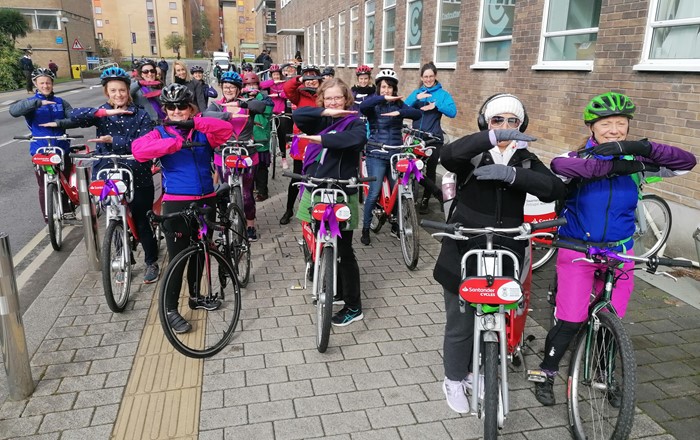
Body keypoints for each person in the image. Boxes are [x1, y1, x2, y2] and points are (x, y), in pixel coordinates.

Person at [532, 92, 697, 407]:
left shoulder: (638, 162)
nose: (614, 129)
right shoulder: (577, 156)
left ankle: (603, 373)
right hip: (577, 249)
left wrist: (641, 149)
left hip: (619, 251)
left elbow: (686, 163)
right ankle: (546, 372)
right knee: (571, 319)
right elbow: (560, 167)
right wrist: (611, 164)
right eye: (606, 123)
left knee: (611, 319)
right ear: (592, 127)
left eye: (621, 124)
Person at [434, 94, 566, 414]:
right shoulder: (474, 154)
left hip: (505, 248)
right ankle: (455, 378)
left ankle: (479, 369)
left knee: (494, 317)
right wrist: (488, 139)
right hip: (464, 244)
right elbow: (448, 157)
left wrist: (513, 176)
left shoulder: (525, 159)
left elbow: (555, 189)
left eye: (512, 122)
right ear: (485, 123)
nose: (506, 128)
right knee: (461, 322)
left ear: (522, 127)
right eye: (497, 121)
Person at [131, 84, 233, 333]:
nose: (177, 111)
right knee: (178, 258)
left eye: (182, 106)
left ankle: (196, 297)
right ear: (165, 109)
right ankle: (170, 309)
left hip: (206, 199)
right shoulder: (159, 133)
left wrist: (196, 124)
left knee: (201, 252)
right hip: (177, 202)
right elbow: (138, 151)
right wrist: (173, 145)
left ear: (190, 108)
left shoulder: (201, 130)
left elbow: (227, 130)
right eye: (171, 107)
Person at [68, 67, 160, 284]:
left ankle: (151, 261)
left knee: (141, 219)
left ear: (128, 92)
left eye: (122, 90)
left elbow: (144, 143)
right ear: (106, 93)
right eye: (113, 91)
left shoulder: (141, 115)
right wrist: (100, 114)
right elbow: (71, 116)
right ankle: (121, 258)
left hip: (136, 172)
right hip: (108, 171)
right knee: (113, 215)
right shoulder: (101, 114)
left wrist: (114, 141)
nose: (118, 95)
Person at [292, 78, 368, 326]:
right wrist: (326, 111)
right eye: (329, 98)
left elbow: (355, 141)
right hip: (315, 188)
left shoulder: (355, 121)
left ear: (347, 99)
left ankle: (353, 306)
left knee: (344, 250)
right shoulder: (320, 118)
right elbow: (300, 116)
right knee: (319, 241)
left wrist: (321, 140)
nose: (335, 101)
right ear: (323, 100)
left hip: (343, 190)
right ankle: (332, 287)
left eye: (338, 98)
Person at [204, 71, 273, 241]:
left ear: (238, 89)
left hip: (247, 153)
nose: (228, 89)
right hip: (224, 154)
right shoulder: (217, 105)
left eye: (232, 87)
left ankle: (250, 226)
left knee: (248, 195)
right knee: (223, 192)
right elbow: (205, 115)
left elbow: (262, 106)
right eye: (225, 87)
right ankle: (225, 223)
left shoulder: (247, 103)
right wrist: (228, 114)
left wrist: (241, 105)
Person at [359, 69, 422, 245]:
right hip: (376, 153)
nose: (386, 90)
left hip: (395, 154)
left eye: (389, 87)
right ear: (379, 88)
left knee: (398, 191)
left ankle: (396, 224)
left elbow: (418, 114)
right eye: (383, 87)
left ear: (394, 89)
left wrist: (400, 113)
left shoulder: (399, 105)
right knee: (374, 192)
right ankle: (365, 228)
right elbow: (363, 107)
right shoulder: (373, 105)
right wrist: (382, 98)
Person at [9, 68, 80, 222]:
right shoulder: (30, 103)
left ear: (52, 83)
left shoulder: (61, 102)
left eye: (48, 82)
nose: (45, 85)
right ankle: (48, 218)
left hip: (61, 147)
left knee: (64, 180)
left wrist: (58, 123)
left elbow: (74, 119)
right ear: (35, 84)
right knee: (43, 184)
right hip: (40, 149)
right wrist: (38, 102)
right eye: (42, 83)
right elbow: (13, 111)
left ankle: (67, 209)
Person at [405, 61, 457, 214]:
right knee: (412, 167)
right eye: (425, 76)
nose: (428, 79)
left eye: (431, 76)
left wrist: (436, 106)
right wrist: (416, 98)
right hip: (416, 137)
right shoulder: (417, 93)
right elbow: (403, 109)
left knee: (431, 169)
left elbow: (453, 112)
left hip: (433, 137)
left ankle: (426, 199)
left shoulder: (442, 94)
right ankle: (417, 195)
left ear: (435, 76)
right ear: (421, 77)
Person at [279, 65, 323, 225]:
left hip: (320, 142)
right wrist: (299, 79)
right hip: (302, 142)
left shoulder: (323, 96)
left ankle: (316, 208)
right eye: (308, 78)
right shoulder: (298, 96)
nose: (311, 82)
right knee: (298, 177)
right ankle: (289, 209)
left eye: (314, 78)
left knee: (318, 176)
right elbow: (286, 87)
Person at [240, 72, 273, 202]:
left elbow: (267, 110)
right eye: (248, 85)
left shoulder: (265, 99)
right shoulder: (240, 98)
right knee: (248, 166)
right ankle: (249, 188)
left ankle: (262, 191)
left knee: (261, 168)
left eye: (254, 84)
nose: (251, 87)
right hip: (246, 137)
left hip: (260, 137)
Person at [260, 64, 292, 171]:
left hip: (281, 112)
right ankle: (267, 155)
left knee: (281, 134)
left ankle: (283, 158)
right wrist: (273, 82)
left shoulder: (284, 83)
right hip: (269, 112)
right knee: (265, 132)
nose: (276, 77)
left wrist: (278, 95)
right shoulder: (270, 84)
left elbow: (288, 94)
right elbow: (261, 85)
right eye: (274, 75)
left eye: (277, 75)